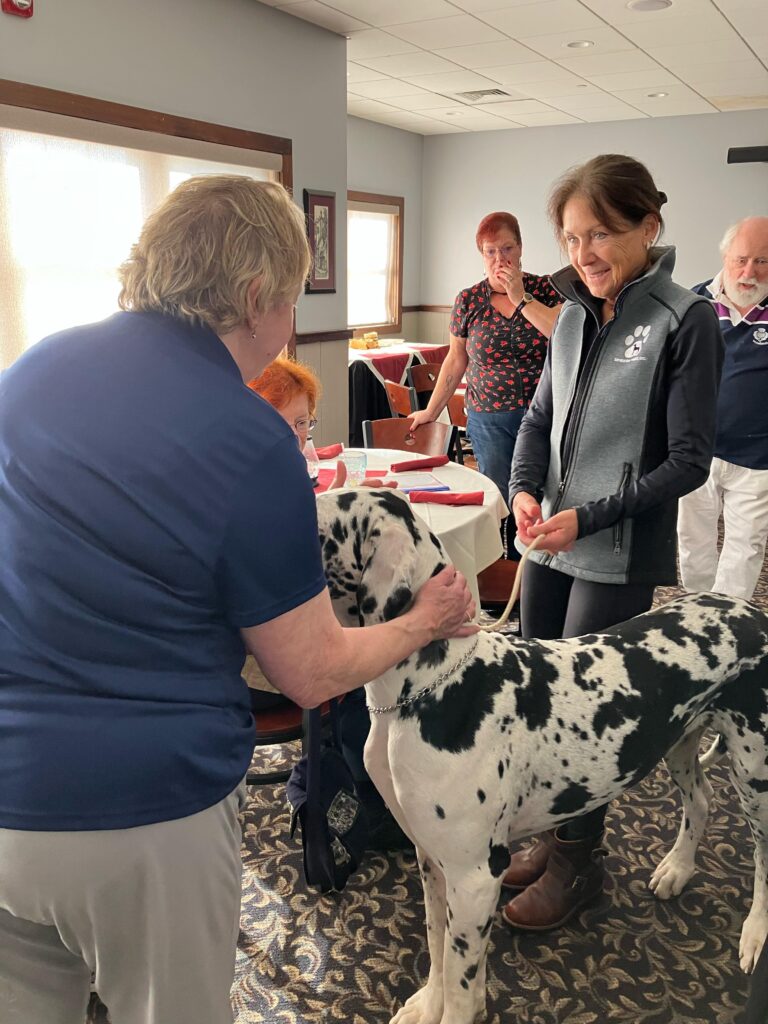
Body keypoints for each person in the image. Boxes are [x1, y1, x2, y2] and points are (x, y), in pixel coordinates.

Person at [0, 175, 475, 1024]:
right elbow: (312, 671)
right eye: (292, 300)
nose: (290, 323)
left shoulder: (30, 370)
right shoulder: (246, 434)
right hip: (143, 811)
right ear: (256, 298)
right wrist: (421, 622)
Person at [501, 154, 724, 931]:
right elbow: (535, 422)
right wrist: (522, 490)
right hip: (548, 545)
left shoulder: (684, 318)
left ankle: (579, 865)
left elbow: (688, 462)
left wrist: (589, 517)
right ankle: (549, 835)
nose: (583, 253)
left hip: (615, 553)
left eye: (601, 233)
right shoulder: (566, 314)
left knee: (583, 720)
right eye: (570, 237)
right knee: (536, 704)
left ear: (649, 228)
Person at [248, 357, 411, 850]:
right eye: (292, 422)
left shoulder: (248, 476)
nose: (302, 437)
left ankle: (355, 775)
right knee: (375, 664)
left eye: (306, 423)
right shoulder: (263, 491)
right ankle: (375, 802)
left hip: (247, 659)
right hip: (260, 675)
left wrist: (339, 497)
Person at [408, 211, 561, 555]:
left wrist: (520, 295)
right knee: (500, 498)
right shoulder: (468, 300)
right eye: (490, 251)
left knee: (542, 496)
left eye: (507, 248)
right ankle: (502, 570)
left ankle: (538, 568)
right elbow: (455, 360)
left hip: (544, 416)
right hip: (489, 417)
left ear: (520, 248)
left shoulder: (546, 290)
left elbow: (561, 336)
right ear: (482, 255)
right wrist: (431, 412)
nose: (500, 259)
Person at [677, 216, 768, 601]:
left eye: (763, 261)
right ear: (726, 257)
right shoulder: (694, 304)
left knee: (745, 546)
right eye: (742, 259)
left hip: (758, 458)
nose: (749, 272)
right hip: (696, 450)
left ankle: (729, 619)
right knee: (692, 539)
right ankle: (698, 609)